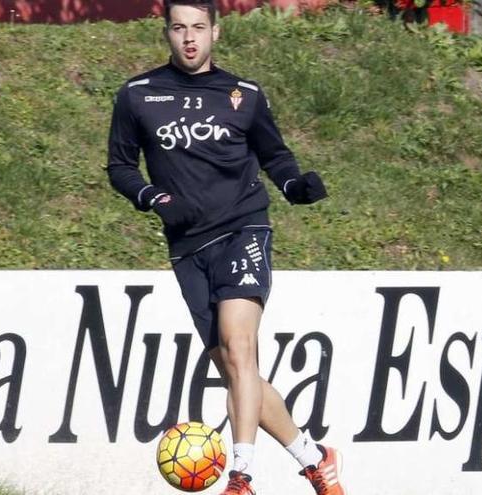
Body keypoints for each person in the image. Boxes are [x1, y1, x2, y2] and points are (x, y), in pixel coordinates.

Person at [106, 1, 344, 494]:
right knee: (238, 371)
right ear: (167, 33)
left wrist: (295, 186)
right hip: (187, 248)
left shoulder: (245, 95)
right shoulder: (137, 95)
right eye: (179, 28)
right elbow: (121, 167)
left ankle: (241, 475)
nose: (189, 38)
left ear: (215, 31)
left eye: (198, 28)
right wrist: (151, 196)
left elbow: (275, 156)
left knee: (240, 349)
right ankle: (314, 457)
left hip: (243, 229)